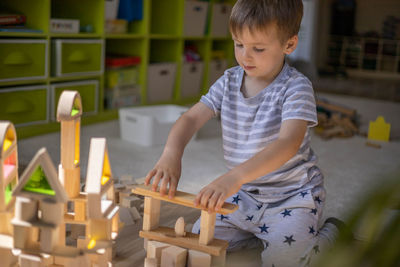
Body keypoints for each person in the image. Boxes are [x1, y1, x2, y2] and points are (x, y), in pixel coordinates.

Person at [145, 0, 339, 265]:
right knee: (198, 242)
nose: (245, 56)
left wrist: (233, 177)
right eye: (239, 44)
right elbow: (190, 117)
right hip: (245, 193)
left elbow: (287, 143)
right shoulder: (229, 80)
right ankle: (259, 234)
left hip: (292, 197)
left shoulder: (297, 87)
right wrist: (170, 154)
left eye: (258, 48)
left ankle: (331, 234)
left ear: (289, 45)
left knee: (286, 261)